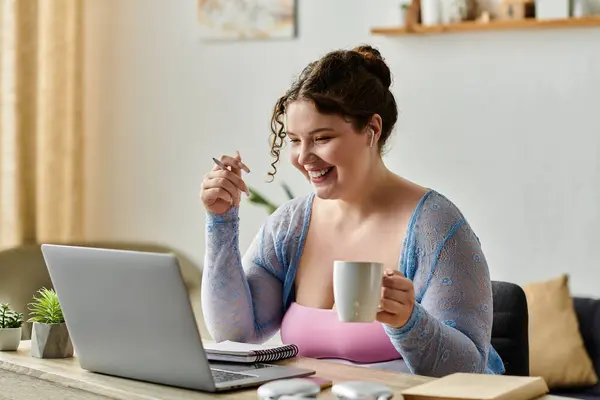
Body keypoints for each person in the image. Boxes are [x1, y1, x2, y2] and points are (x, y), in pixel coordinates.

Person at [199, 45, 505, 378]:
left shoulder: (437, 227)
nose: (303, 157)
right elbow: (234, 334)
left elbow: (470, 370)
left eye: (321, 138)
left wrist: (407, 321)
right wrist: (221, 222)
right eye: (295, 140)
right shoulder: (290, 226)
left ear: (371, 131)